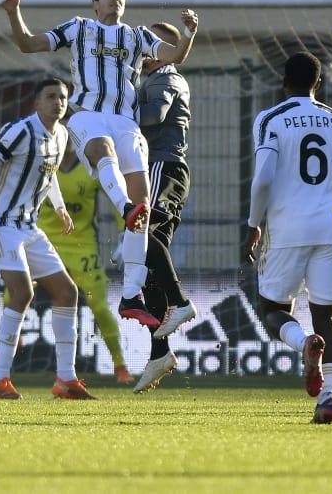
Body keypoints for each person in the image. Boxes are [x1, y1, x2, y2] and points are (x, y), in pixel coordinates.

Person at [1, 0, 199, 328]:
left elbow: (174, 55)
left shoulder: (137, 36)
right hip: (88, 116)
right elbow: (28, 44)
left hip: (126, 122)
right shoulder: (79, 28)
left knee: (144, 204)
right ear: (95, 3)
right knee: (107, 159)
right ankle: (124, 207)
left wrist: (188, 34)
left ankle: (130, 294)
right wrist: (14, 12)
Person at [241, 52, 332, 425]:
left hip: (287, 230)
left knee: (272, 310)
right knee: (327, 317)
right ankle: (328, 399)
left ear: (284, 81)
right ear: (318, 84)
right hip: (331, 232)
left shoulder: (270, 119)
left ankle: (303, 343)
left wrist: (253, 223)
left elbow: (264, 179)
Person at [0, 77, 97, 400]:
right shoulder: (19, 131)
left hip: (28, 226)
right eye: (51, 96)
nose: (59, 102)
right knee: (22, 292)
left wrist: (60, 207)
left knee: (67, 292)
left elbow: (47, 174)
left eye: (63, 97)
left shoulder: (62, 134)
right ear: (36, 103)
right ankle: (1, 381)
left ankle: (66, 380)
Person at [0, 139, 134, 384]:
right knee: (13, 292)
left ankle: (120, 366)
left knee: (99, 307)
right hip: (43, 239)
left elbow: (117, 198)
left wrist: (124, 233)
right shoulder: (40, 165)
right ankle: (13, 339)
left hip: (81, 245)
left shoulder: (91, 168)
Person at [131, 22, 198, 394]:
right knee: (147, 261)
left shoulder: (167, 79)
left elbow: (154, 116)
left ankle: (180, 302)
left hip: (163, 167)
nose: (145, 48)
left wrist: (117, 118)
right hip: (158, 168)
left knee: (142, 237)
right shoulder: (150, 78)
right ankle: (160, 352)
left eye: (153, 43)